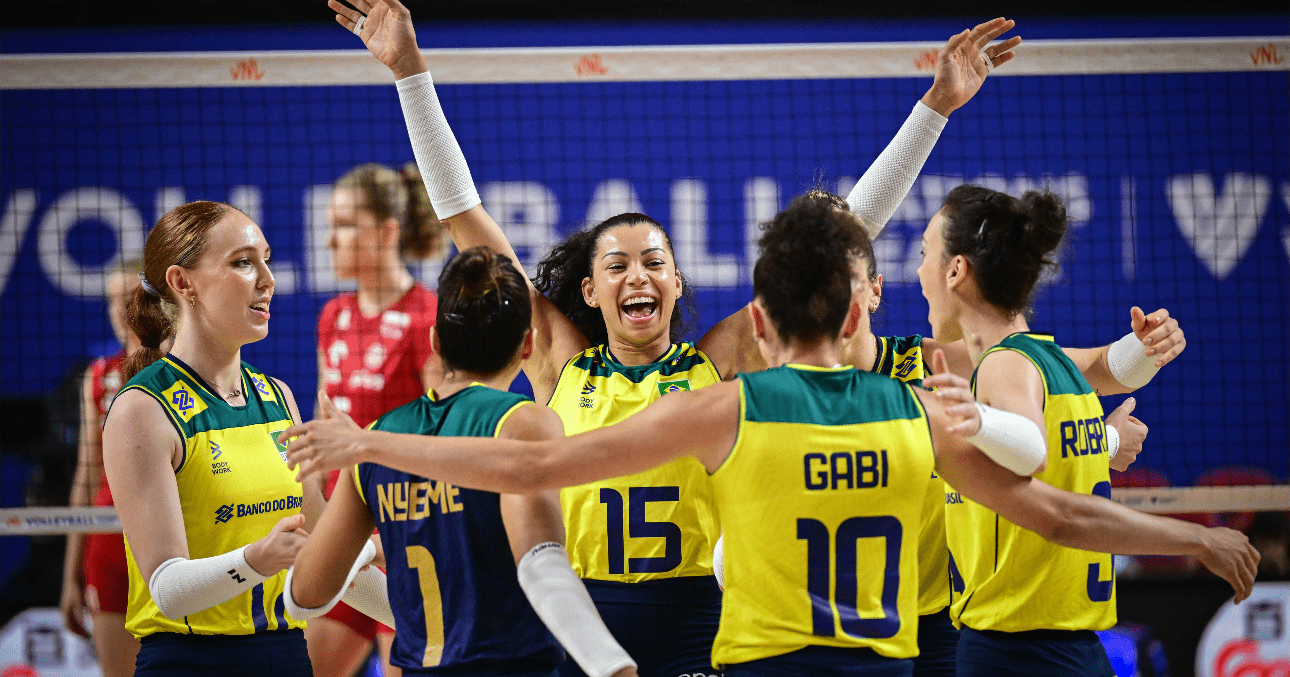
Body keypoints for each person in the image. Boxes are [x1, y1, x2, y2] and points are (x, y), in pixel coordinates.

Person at [327, 0, 1019, 675]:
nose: (638, 276)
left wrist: (934, 107)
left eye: (655, 262)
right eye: (619, 265)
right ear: (591, 290)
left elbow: (834, 243)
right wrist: (410, 73)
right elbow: (462, 219)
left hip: (699, 618)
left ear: (677, 282)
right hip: (586, 614)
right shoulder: (562, 362)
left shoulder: (712, 367)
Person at [280, 195, 1259, 675]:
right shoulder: (914, 403)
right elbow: (1049, 501)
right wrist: (1191, 532)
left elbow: (533, 461)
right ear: (851, 314)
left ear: (759, 322)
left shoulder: (727, 406)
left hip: (746, 657)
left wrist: (371, 446)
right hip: (888, 660)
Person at [701, 191, 1179, 676]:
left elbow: (1080, 373)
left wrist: (1143, 349)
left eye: (839, 281)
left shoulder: (937, 364)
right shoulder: (772, 400)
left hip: (939, 626)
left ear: (873, 290)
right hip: (828, 632)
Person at [913, 184, 1251, 675]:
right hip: (1077, 648)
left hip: (1014, 651)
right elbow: (1090, 394)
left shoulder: (1004, 369)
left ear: (956, 269)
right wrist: (1114, 423)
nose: (919, 272)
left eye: (925, 253)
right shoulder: (1055, 367)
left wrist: (975, 421)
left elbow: (1041, 471)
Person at [287, 245, 639, 677]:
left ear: (435, 341)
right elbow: (541, 563)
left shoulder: (376, 437)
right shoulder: (523, 423)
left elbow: (304, 594)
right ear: (528, 346)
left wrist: (371, 547)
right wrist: (613, 666)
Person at [101, 200, 342, 676]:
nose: (267, 279)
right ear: (182, 282)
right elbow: (168, 590)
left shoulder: (279, 398)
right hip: (190, 662)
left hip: (288, 655)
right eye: (242, 262)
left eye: (266, 259)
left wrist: (428, 625)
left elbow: (322, 552)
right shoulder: (142, 411)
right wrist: (257, 559)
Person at [313, 162, 449, 677]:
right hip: (340, 528)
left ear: (387, 231)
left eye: (346, 224)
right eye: (332, 224)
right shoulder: (333, 317)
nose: (331, 239)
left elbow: (445, 433)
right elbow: (321, 424)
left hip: (407, 534)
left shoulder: (427, 317)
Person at [60, 259, 147, 677]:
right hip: (107, 544)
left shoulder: (181, 372)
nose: (117, 310)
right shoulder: (99, 377)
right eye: (112, 300)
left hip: (167, 543)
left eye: (128, 298)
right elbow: (87, 474)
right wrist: (69, 575)